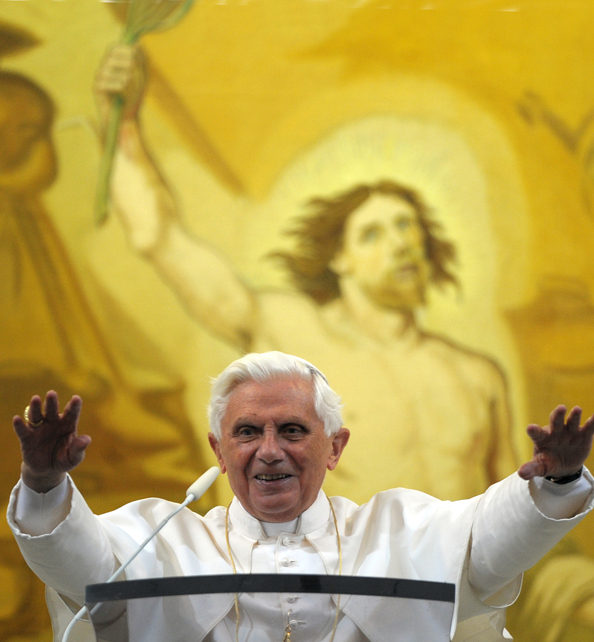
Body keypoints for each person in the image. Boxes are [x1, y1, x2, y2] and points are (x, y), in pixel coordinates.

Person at [7, 352, 594, 642]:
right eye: (247, 432)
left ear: (334, 447)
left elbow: (488, 539)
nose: (269, 450)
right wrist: (44, 484)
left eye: (292, 430)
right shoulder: (168, 540)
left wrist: (556, 481)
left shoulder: (394, 531)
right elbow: (85, 565)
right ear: (218, 449)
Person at [95, 45, 515, 504]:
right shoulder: (291, 333)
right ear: (340, 260)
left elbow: (510, 512)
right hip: (339, 572)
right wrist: (124, 127)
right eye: (373, 234)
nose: (400, 243)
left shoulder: (477, 377)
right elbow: (159, 237)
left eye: (406, 226)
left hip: (455, 574)